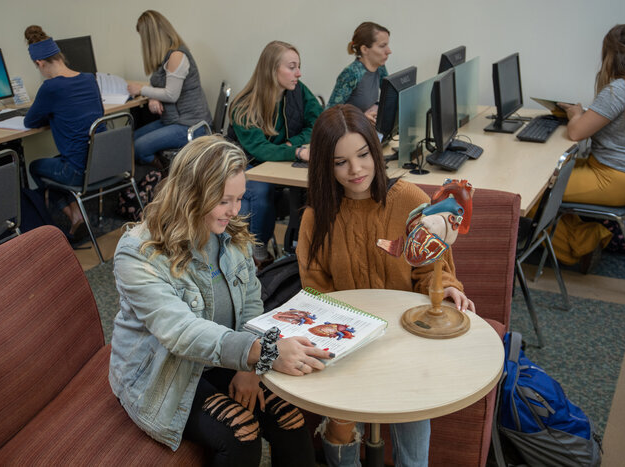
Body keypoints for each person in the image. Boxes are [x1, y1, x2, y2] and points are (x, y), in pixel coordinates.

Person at [109, 135, 333, 467]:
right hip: (165, 372)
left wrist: (252, 367)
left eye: (239, 198)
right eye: (225, 200)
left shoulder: (231, 233)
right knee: (241, 436)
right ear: (190, 194)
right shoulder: (138, 252)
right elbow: (181, 333)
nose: (235, 211)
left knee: (292, 423)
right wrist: (260, 353)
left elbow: (251, 302)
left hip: (223, 357)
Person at [296, 105, 475, 467]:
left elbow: (431, 269)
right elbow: (316, 291)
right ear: (325, 167)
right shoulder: (316, 217)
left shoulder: (409, 200)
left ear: (375, 152)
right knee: (342, 425)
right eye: (340, 162)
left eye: (363, 155)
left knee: (413, 408)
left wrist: (449, 287)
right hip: (346, 342)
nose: (356, 170)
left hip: (406, 338)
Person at [228, 40, 323, 266]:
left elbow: (319, 121)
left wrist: (293, 144)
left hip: (278, 163)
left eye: (298, 66)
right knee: (259, 191)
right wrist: (297, 152)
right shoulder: (244, 105)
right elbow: (259, 149)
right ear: (272, 70)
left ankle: (251, 255)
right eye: (291, 67)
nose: (298, 73)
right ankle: (257, 254)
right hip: (243, 165)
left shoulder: (298, 91)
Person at [553, 23, 625, 270]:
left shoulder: (620, 89)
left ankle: (587, 242)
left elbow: (575, 133)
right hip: (619, 174)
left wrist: (576, 113)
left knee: (532, 193)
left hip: (611, 177)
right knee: (551, 173)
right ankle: (584, 236)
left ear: (612, 55)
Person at [23, 25, 104, 239]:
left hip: (77, 171)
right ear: (59, 56)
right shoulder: (89, 79)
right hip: (99, 163)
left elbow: (30, 121)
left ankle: (73, 214)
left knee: (35, 167)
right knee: (56, 161)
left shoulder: (51, 88)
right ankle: (76, 214)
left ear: (40, 63)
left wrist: (50, 114)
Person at [127, 10, 212, 166]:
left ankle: (164, 173)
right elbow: (158, 84)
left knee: (138, 147)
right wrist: (153, 97)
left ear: (150, 37)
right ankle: (159, 172)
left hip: (190, 126)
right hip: (173, 121)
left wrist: (141, 90)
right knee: (129, 140)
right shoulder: (165, 56)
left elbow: (171, 94)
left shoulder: (177, 56)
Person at [327, 22, 391, 123]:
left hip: (368, 129)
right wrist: (361, 118)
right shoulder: (351, 73)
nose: (389, 51)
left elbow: (389, 97)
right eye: (382, 46)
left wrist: (377, 106)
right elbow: (330, 115)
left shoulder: (380, 67)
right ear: (365, 49)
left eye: (387, 45)